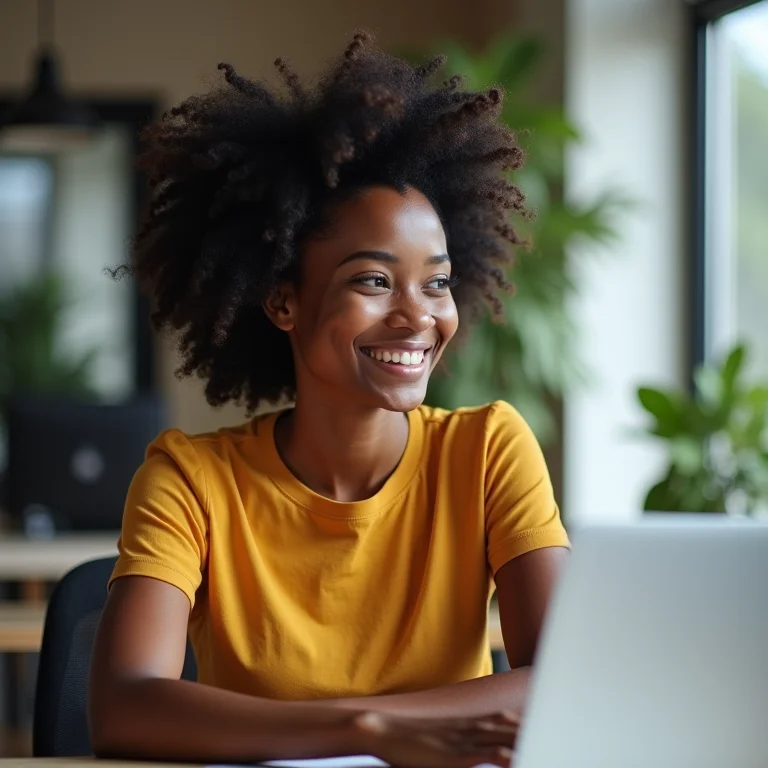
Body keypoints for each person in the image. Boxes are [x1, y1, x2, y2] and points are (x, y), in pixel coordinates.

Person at [89, 32, 570, 768]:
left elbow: (567, 681)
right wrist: (367, 735)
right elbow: (123, 704)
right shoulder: (191, 480)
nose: (418, 317)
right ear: (284, 302)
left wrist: (363, 723)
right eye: (374, 281)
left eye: (436, 282)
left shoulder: (488, 450)